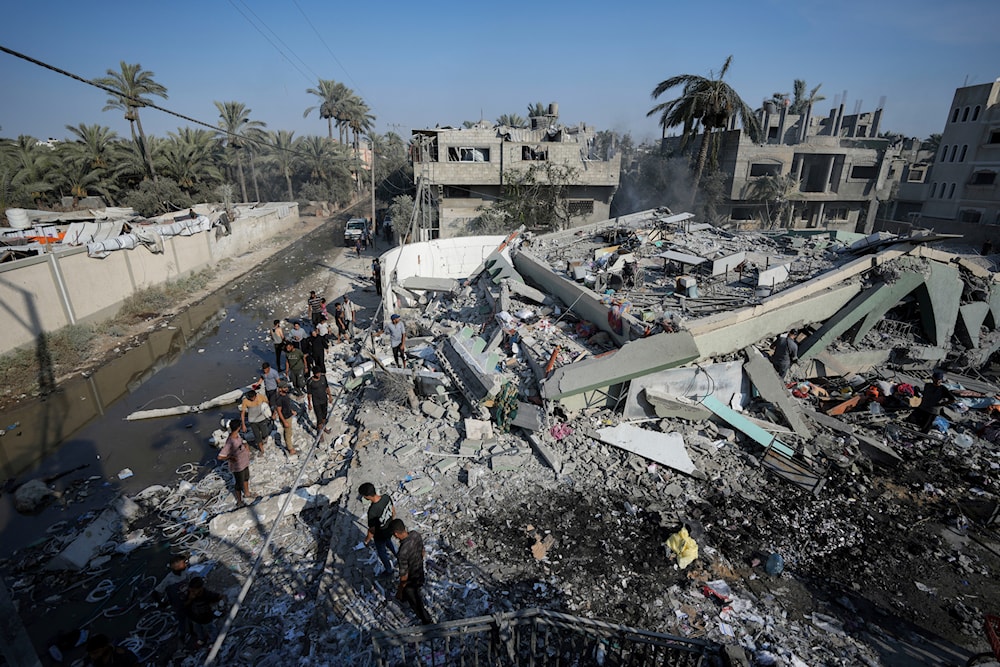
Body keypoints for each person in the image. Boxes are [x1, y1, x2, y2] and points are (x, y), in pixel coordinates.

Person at [390, 518, 433, 624]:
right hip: (419, 571)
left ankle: (427, 622)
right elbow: (422, 552)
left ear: (396, 534)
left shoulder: (402, 552)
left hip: (411, 580)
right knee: (414, 593)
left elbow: (404, 577)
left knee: (417, 603)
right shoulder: (415, 535)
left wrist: (399, 591)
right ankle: (405, 598)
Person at [152, 554, 192, 641]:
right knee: (182, 620)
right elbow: (155, 592)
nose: (185, 564)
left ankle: (192, 632)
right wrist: (161, 603)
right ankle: (182, 636)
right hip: (178, 604)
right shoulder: (169, 579)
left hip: (188, 600)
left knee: (190, 617)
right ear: (176, 567)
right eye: (183, 563)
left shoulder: (185, 572)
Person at [360, 483, 397, 576]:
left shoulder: (372, 511)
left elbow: (372, 530)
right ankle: (399, 557)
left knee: (382, 552)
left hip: (380, 535)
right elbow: (393, 511)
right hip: (389, 529)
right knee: (390, 543)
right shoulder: (386, 497)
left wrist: (366, 541)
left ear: (367, 497)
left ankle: (389, 570)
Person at [217, 419, 256, 507]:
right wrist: (230, 457)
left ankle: (247, 493)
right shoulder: (230, 442)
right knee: (238, 484)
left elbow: (240, 445)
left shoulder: (237, 435)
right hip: (238, 467)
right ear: (238, 427)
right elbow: (220, 456)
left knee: (246, 478)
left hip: (244, 462)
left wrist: (245, 446)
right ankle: (239, 501)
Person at [183, 577, 224, 647]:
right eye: (191, 591)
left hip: (206, 618)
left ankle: (213, 641)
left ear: (200, 589)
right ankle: (201, 639)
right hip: (195, 617)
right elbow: (184, 605)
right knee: (198, 629)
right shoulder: (189, 595)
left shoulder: (207, 595)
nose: (192, 593)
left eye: (193, 591)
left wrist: (219, 604)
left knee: (211, 629)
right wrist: (190, 599)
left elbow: (219, 596)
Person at [240, 389, 271, 454]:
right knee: (257, 436)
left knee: (265, 433)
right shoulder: (245, 401)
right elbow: (243, 413)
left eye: (253, 397)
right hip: (252, 421)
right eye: (251, 398)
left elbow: (267, 403)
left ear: (255, 395)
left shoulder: (260, 396)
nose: (252, 399)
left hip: (262, 419)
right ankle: (262, 450)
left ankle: (264, 439)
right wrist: (243, 424)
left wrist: (267, 411)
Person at [275, 382, 299, 456]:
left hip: (288, 415)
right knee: (287, 433)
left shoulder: (286, 396)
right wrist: (284, 421)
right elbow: (279, 411)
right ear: (280, 389)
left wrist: (292, 411)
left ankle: (290, 445)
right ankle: (290, 449)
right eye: (284, 388)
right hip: (285, 418)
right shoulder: (279, 399)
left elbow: (287, 406)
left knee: (289, 432)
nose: (286, 389)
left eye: (286, 387)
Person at [306, 369, 333, 433]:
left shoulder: (323, 378)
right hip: (316, 402)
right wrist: (309, 404)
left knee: (324, 416)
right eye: (317, 373)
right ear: (314, 374)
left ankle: (324, 427)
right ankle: (320, 432)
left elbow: (327, 387)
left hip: (324, 400)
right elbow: (309, 394)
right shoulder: (310, 382)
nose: (319, 375)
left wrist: (330, 396)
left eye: (319, 373)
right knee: (319, 418)